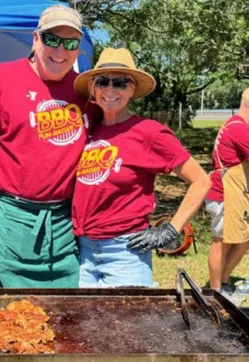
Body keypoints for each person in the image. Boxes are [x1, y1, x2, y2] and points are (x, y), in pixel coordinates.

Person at [0, 4, 93, 288]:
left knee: (65, 321)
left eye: (71, 42)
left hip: (63, 226)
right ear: (35, 39)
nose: (60, 50)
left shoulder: (84, 90)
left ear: (79, 48)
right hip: (6, 222)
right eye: (52, 39)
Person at [71, 48, 211, 288]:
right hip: (82, 251)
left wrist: (170, 230)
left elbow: (201, 181)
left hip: (125, 253)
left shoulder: (149, 132)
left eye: (120, 83)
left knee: (126, 323)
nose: (110, 90)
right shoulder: (89, 127)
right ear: (93, 88)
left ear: (132, 89)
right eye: (102, 81)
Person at [205, 88, 249, 301]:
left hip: (235, 192)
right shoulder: (238, 128)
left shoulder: (238, 125)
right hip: (224, 193)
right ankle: (215, 291)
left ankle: (223, 279)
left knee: (242, 239)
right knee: (221, 241)